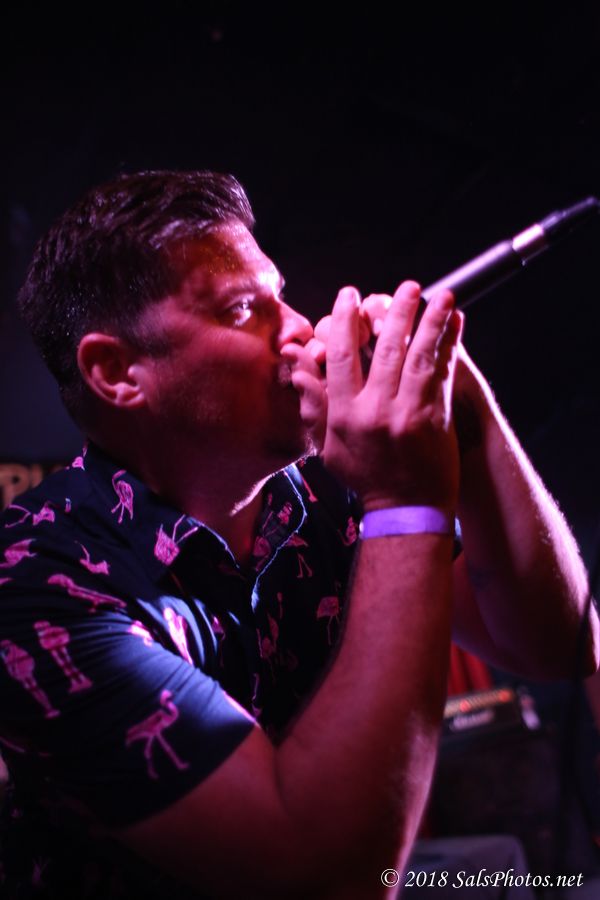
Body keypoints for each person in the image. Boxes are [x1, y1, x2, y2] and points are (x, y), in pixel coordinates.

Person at [0, 170, 597, 900]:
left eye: (279, 295)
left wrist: (460, 396)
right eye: (243, 309)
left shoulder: (328, 484)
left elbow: (556, 646)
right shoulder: (35, 584)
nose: (300, 329)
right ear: (118, 371)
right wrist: (403, 499)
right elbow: (330, 881)